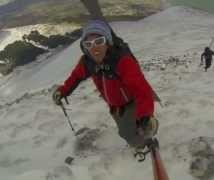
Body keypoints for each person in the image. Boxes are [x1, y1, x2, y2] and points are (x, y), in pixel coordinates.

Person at [52, 20, 158, 149]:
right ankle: (140, 141)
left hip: (132, 102)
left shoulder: (122, 61)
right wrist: (63, 91)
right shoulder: (87, 62)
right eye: (88, 44)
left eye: (99, 41)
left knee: (137, 129)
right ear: (84, 47)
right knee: (125, 131)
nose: (94, 47)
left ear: (108, 42)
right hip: (115, 106)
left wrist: (145, 115)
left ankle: (146, 139)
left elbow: (141, 89)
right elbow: (76, 77)